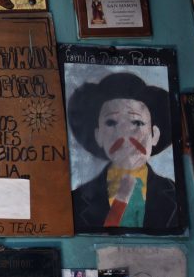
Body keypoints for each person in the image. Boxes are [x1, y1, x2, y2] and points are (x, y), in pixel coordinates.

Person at [67, 72, 180, 230]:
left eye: (137, 123)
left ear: (155, 135)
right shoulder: (76, 201)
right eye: (111, 123)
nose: (124, 134)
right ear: (98, 136)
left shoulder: (178, 195)